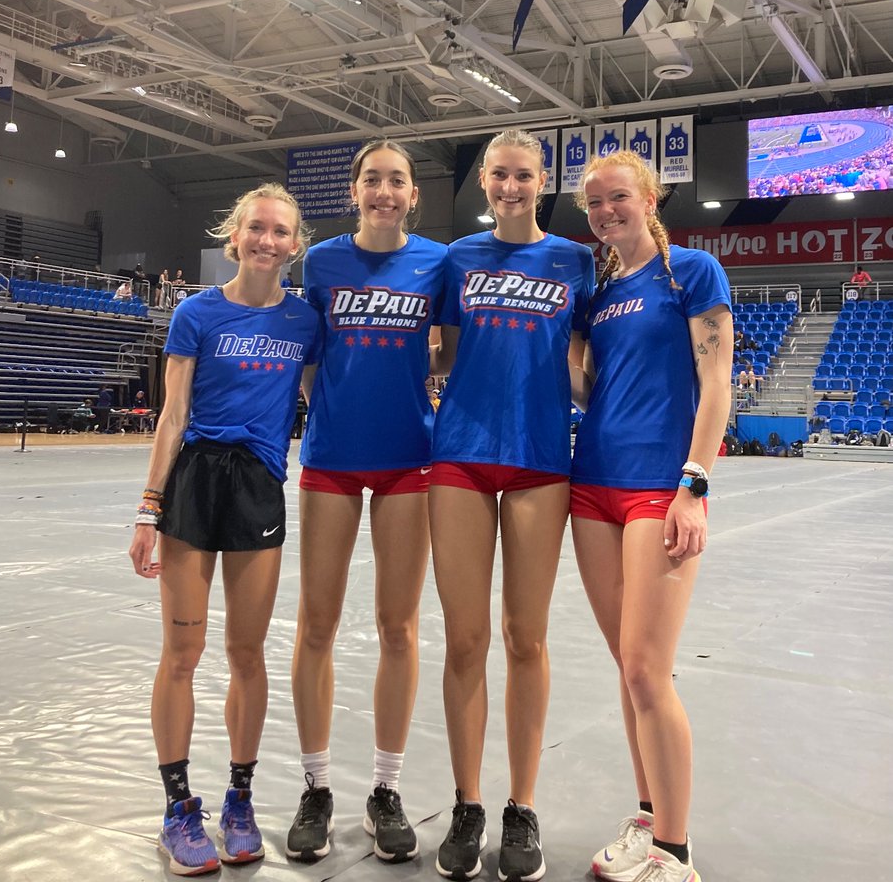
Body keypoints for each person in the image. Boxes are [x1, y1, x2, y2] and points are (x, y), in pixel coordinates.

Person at [127, 183, 321, 877]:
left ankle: (240, 801)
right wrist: (150, 508)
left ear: (295, 245)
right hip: (193, 486)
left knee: (246, 652)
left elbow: (325, 395)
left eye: (281, 232)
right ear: (234, 236)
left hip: (258, 487)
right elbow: (172, 417)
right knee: (182, 652)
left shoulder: (304, 323)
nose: (268, 240)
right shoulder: (195, 313)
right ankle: (179, 810)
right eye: (257, 229)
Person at [429, 129, 595, 882]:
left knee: (525, 638)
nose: (509, 186)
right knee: (465, 642)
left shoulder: (575, 261)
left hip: (539, 464)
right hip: (459, 457)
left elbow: (593, 362)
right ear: (484, 181)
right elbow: (435, 350)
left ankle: (520, 804)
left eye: (523, 175)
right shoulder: (455, 259)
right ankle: (468, 803)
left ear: (542, 180)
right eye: (498, 174)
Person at [570, 150, 732, 882]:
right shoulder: (599, 293)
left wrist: (693, 483)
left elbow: (715, 377)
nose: (606, 212)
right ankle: (647, 817)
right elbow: (590, 391)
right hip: (591, 486)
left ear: (650, 196)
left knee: (646, 669)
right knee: (626, 666)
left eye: (618, 198)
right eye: (594, 203)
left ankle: (675, 850)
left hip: (656, 486)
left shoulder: (690, 273)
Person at [286, 140, 447, 866]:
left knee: (398, 626)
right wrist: (336, 419)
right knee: (316, 623)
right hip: (331, 463)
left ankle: (386, 790)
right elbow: (312, 360)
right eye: (372, 179)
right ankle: (317, 787)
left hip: (410, 459)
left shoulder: (436, 263)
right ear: (354, 191)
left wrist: (412, 379)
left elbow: (443, 350)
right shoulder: (320, 263)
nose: (384, 191)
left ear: (414, 195)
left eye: (397, 181)